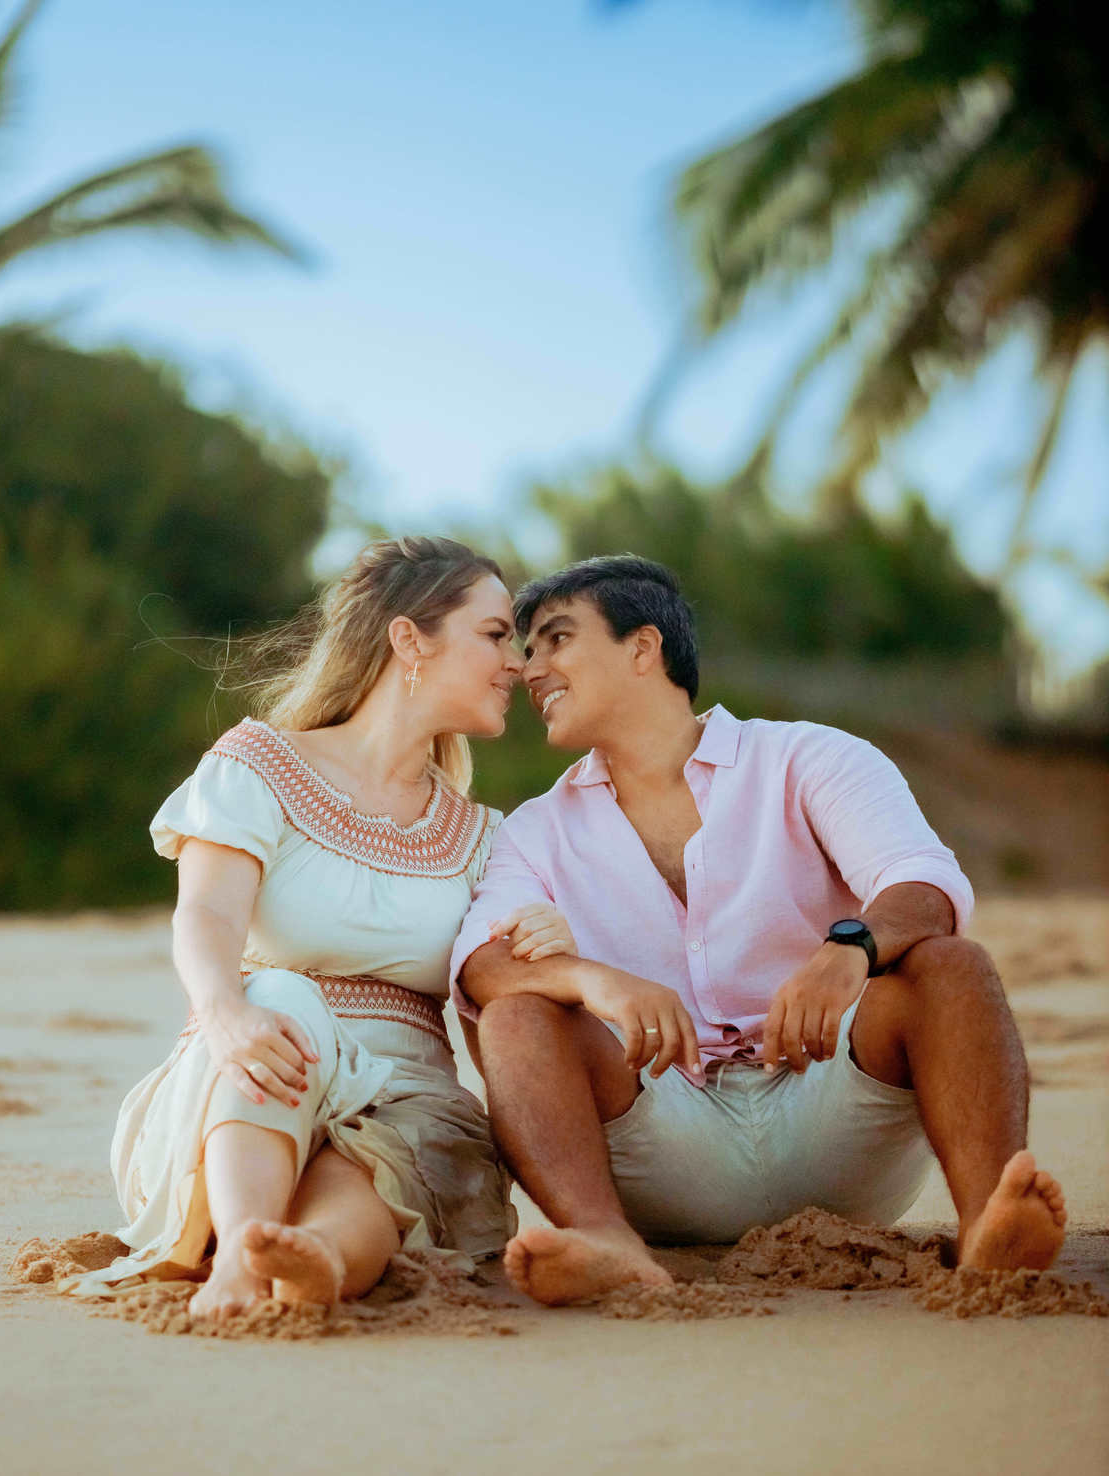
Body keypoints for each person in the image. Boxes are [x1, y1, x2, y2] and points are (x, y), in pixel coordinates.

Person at [451, 554, 1067, 1306]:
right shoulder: (535, 830)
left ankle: (988, 1228)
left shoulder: (809, 758)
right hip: (663, 1143)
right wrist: (595, 981)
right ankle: (605, 1240)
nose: (529, 667)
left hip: (833, 1117)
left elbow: (924, 883)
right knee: (517, 1013)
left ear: (643, 649)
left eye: (555, 639)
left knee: (951, 964)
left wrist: (850, 950)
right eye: (526, 646)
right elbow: (482, 963)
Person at [66, 537, 575, 1319]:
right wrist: (223, 1010)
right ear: (410, 638)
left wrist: (542, 928)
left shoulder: (483, 835)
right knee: (282, 1001)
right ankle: (241, 1249)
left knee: (367, 1177)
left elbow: (493, 972)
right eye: (497, 633)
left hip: (403, 1091)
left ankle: (319, 1266)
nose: (518, 662)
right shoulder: (259, 764)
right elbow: (205, 912)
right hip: (251, 1068)